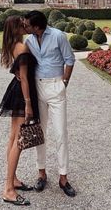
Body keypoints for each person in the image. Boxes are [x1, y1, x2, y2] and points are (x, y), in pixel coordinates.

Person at [23, 10, 76, 197]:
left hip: (56, 86)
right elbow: (24, 64)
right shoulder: (28, 40)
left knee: (61, 133)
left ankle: (63, 177)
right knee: (40, 133)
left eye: (27, 24)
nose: (25, 26)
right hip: (38, 88)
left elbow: (70, 59)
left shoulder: (58, 36)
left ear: (37, 26)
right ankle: (42, 173)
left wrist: (64, 83)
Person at [0, 15, 39, 206]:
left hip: (15, 92)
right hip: (23, 94)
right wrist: (29, 103)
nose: (26, 26)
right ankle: (8, 189)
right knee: (19, 140)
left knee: (13, 137)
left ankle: (13, 179)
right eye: (22, 24)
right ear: (17, 29)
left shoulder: (13, 46)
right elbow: (24, 78)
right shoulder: (22, 47)